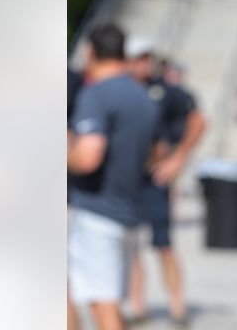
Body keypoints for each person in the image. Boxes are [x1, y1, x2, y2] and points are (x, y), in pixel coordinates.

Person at [68, 25, 163, 330]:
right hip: (129, 209)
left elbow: (87, 157)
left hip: (98, 211)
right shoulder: (142, 95)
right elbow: (157, 152)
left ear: (90, 52)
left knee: (102, 306)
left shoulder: (97, 93)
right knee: (95, 297)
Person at [124, 42, 207, 328]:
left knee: (164, 243)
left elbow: (198, 120)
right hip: (125, 180)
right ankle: (137, 304)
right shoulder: (119, 90)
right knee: (130, 246)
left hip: (154, 178)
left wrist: (178, 159)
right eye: (138, 58)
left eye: (148, 58)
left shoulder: (165, 92)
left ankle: (177, 305)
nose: (143, 64)